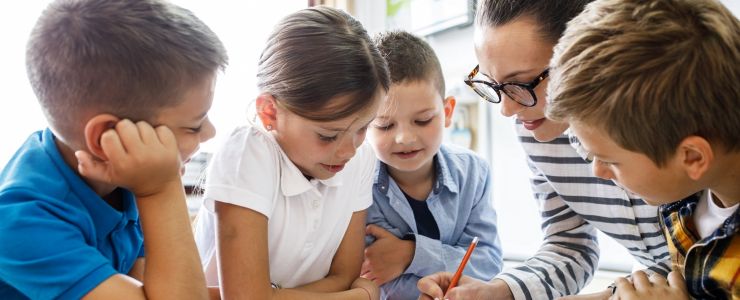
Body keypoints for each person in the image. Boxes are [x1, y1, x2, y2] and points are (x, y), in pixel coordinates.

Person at [418, 1, 672, 299]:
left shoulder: (669, 115)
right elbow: (570, 244)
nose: (508, 110)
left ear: (586, 52)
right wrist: (497, 292)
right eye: (493, 84)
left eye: (523, 84)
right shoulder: (535, 130)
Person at [0, 0, 228, 299]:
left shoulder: (125, 169)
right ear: (107, 136)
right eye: (193, 126)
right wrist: (160, 190)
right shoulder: (22, 222)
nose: (211, 133)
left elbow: (155, 285)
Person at [192, 6, 390, 300]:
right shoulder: (248, 153)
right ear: (270, 111)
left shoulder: (361, 159)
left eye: (363, 128)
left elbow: (344, 274)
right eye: (328, 135)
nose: (349, 150)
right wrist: (361, 296)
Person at [546, 0, 740, 298]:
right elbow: (682, 277)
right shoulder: (688, 196)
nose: (597, 170)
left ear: (692, 157)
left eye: (609, 160)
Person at [361, 31, 502, 300]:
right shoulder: (359, 183)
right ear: (364, 122)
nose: (404, 138)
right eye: (385, 125)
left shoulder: (473, 173)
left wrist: (412, 254)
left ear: (447, 112)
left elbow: (488, 263)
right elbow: (371, 272)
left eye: (423, 120)